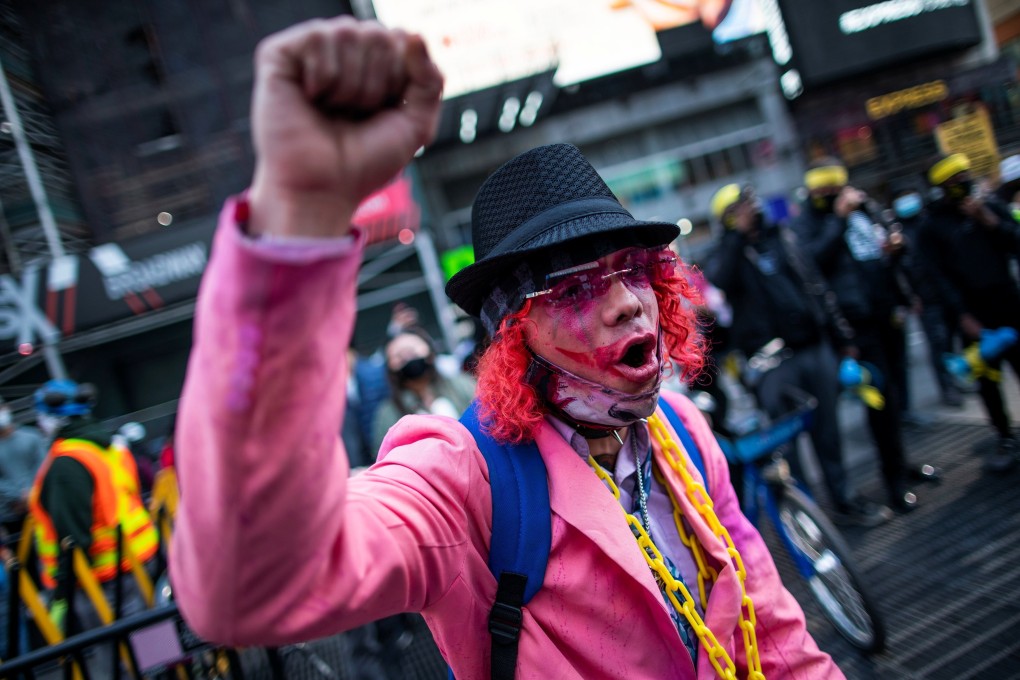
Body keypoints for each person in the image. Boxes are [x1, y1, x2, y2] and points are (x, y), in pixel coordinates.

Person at [170, 17, 842, 678]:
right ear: (515, 334)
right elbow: (248, 584)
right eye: (575, 289)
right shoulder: (466, 481)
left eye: (633, 267)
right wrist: (292, 240)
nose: (627, 302)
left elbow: (774, 636)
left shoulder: (684, 432)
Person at [703, 183, 891, 526]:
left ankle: (844, 502)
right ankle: (809, 519)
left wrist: (841, 337)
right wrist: (736, 236)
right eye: (740, 208)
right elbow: (719, 279)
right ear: (728, 219)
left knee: (828, 434)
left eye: (751, 202)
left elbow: (816, 285)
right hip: (772, 364)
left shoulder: (783, 236)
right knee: (788, 447)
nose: (751, 209)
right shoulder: (726, 253)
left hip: (814, 348)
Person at [792, 158, 924, 513]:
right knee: (879, 404)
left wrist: (898, 253)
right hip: (855, 328)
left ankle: (903, 466)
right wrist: (838, 218)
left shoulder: (865, 209)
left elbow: (889, 244)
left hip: (885, 316)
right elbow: (814, 262)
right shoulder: (808, 223)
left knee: (896, 401)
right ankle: (894, 484)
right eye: (824, 192)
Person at [28, 379, 159, 635]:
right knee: (153, 644)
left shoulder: (67, 463)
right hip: (137, 558)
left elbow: (72, 536)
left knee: (116, 658)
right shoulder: (107, 445)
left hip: (104, 576)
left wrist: (61, 594)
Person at [918, 153, 1020, 472]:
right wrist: (962, 316)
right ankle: (1004, 436)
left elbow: (1015, 243)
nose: (961, 184)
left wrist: (989, 221)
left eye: (964, 177)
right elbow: (934, 277)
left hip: (1009, 304)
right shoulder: (931, 226)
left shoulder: (989, 207)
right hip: (973, 316)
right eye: (953, 181)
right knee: (987, 382)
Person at [888, 180, 962, 409]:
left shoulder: (927, 220)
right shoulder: (895, 234)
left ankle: (959, 377)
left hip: (945, 288)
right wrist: (910, 297)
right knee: (938, 342)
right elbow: (897, 270)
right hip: (924, 296)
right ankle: (947, 386)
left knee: (953, 338)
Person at [371, 326, 476, 454]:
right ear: (391, 368)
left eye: (413, 352)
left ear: (430, 353)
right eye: (400, 357)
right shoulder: (388, 413)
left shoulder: (462, 385)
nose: (408, 359)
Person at [0, 397, 47, 537]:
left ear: (6, 408)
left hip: (41, 505)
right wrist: (17, 497)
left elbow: (43, 465)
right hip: (11, 513)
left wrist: (32, 494)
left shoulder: (31, 436)